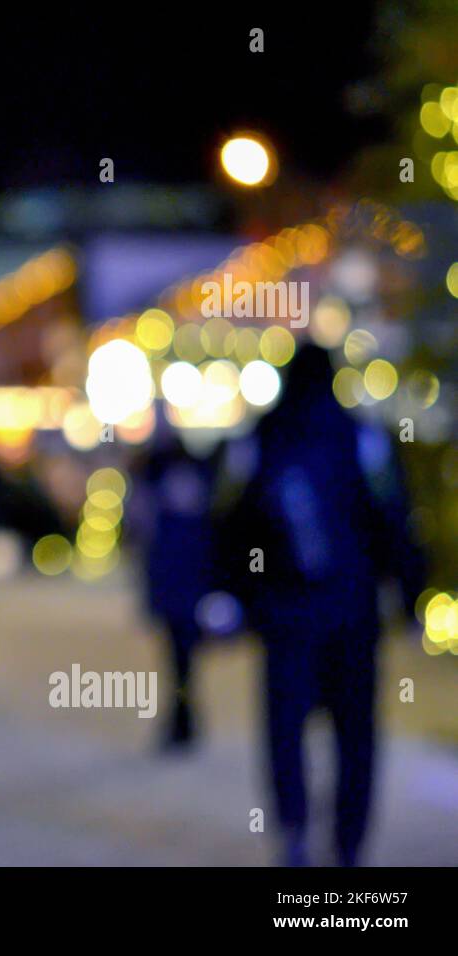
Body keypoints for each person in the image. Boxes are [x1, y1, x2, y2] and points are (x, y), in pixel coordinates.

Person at [213, 343, 425, 866]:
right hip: (353, 613)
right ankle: (349, 845)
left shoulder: (260, 438)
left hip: (285, 615)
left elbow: (232, 526)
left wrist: (236, 596)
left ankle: (294, 834)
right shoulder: (363, 438)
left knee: (284, 731)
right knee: (356, 735)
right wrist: (411, 595)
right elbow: (392, 519)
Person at [129, 409, 217, 750]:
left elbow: (140, 522)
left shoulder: (156, 469)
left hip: (180, 576)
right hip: (177, 575)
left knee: (179, 651)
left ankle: (183, 714)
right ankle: (183, 713)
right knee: (179, 651)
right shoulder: (157, 468)